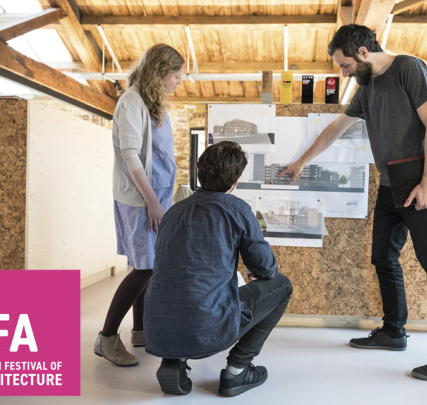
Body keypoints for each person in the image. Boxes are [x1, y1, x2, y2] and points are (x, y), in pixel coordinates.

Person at [279, 24, 427, 381]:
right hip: (390, 183)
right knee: (383, 257)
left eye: (345, 65)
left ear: (363, 53)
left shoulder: (409, 68)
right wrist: (301, 161)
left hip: (419, 182)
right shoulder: (366, 87)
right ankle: (393, 332)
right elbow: (336, 128)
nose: (344, 72)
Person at [144, 141, 292, 396]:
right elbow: (266, 268)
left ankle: (173, 361)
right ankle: (237, 370)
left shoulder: (173, 211)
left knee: (185, 292)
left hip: (157, 329)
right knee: (281, 285)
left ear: (201, 173)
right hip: (208, 327)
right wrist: (254, 270)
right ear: (234, 181)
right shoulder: (236, 209)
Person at [94, 44, 184, 366]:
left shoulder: (153, 100)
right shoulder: (131, 101)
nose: (179, 82)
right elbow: (131, 156)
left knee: (150, 265)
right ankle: (106, 338)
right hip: (141, 198)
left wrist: (161, 200)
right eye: (176, 75)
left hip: (156, 196)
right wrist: (152, 203)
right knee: (145, 267)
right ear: (161, 73)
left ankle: (141, 330)